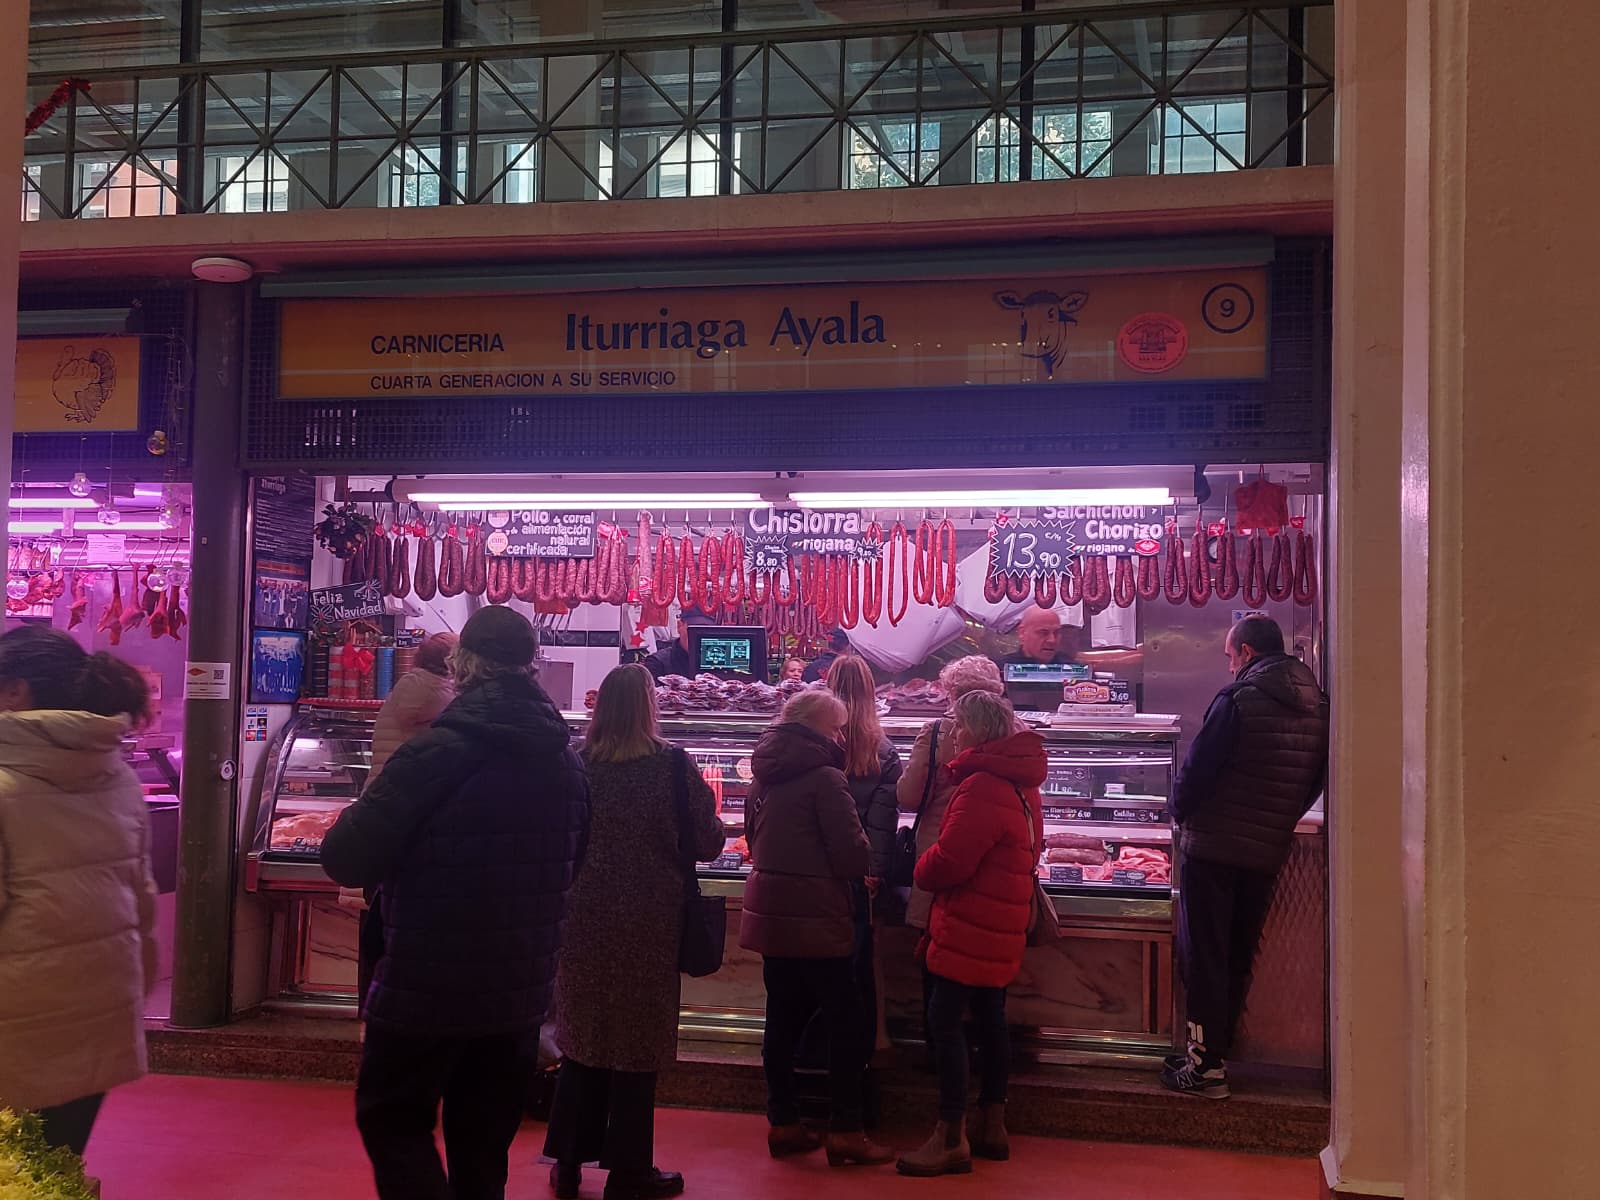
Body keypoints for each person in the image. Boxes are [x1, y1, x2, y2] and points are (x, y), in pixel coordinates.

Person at [321, 606, 590, 1200]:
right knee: (483, 1142)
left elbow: (346, 857)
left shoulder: (434, 754)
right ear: (530, 666)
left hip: (427, 984)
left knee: (392, 1117)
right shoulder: (568, 764)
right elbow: (574, 862)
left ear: (463, 666)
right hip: (519, 989)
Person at [545, 664, 724, 1200]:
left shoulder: (574, 763)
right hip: (651, 918)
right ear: (650, 706)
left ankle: (569, 1164)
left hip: (582, 917)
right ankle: (629, 1171)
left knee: (582, 1038)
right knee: (637, 1046)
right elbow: (710, 843)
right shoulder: (671, 766)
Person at [0, 627, 157, 1163]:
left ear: (15, 691)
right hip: (97, 1013)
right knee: (53, 1173)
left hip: (15, 1027)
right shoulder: (118, 778)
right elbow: (141, 902)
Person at [1162, 616, 1328, 1100]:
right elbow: (1312, 780)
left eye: (1231, 656)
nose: (1230, 665)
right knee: (1236, 954)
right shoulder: (1317, 704)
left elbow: (1197, 771)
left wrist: (1179, 813)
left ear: (1248, 654)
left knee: (1205, 957)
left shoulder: (1237, 699)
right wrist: (1275, 821)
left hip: (1212, 849)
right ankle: (1217, 1053)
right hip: (1264, 851)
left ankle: (1204, 1068)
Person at [740, 690, 892, 1168]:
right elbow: (851, 853)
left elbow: (751, 835)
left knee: (781, 1019)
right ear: (816, 730)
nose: (842, 737)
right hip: (819, 916)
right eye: (836, 728)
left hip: (771, 910)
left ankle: (783, 1122)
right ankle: (846, 1130)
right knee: (846, 1023)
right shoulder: (826, 778)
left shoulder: (761, 774)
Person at [898, 690, 1045, 1177]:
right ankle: (993, 1124)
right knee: (990, 1018)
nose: (954, 734)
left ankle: (950, 1136)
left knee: (944, 1022)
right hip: (1003, 919)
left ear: (977, 731)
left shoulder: (981, 784)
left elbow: (949, 862)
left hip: (970, 922)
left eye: (959, 726)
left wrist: (918, 866)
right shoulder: (1023, 783)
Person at [895, 656, 1007, 1047]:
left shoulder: (938, 731)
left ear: (952, 693)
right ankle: (989, 1071)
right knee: (991, 974)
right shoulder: (1020, 731)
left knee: (938, 959)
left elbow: (908, 797)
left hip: (940, 855)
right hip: (1000, 865)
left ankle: (941, 1059)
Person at [347, 631, 458, 1021]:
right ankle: (390, 1009)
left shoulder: (408, 689)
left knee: (380, 915)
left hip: (383, 809)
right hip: (410, 815)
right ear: (449, 664)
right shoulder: (441, 697)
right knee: (394, 922)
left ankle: (372, 1008)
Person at [825, 656, 903, 1064]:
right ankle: (871, 1044)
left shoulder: (819, 742)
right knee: (861, 962)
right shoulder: (884, 749)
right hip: (860, 875)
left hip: (819, 869)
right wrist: (873, 871)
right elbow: (882, 820)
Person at [641, 608, 712, 680]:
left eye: (705, 629)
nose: (699, 634)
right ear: (679, 626)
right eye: (694, 629)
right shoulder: (657, 663)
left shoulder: (717, 662)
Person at [1003, 606, 1085, 667]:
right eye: (1043, 633)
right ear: (1022, 633)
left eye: (1056, 633)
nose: (1052, 640)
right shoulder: (1000, 670)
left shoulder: (1076, 671)